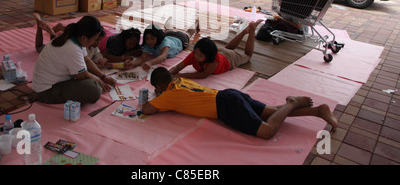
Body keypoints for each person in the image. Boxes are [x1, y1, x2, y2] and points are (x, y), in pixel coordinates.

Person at [142, 67, 338, 139]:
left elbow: (147, 110)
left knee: (267, 131)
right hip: (230, 95)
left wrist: (156, 96)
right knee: (270, 113)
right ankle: (317, 111)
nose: (157, 92)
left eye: (157, 88)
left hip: (226, 107)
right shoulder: (179, 81)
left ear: (160, 85)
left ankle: (291, 102)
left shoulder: (167, 95)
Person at [32, 16, 116, 104]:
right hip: (47, 91)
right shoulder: (73, 48)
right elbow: (82, 75)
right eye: (94, 39)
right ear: (84, 38)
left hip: (47, 84)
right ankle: (42, 97)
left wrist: (103, 77)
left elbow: (87, 60)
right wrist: (99, 81)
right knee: (94, 89)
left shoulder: (75, 38)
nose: (95, 43)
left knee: (92, 82)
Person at [170, 20, 263, 79]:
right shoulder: (194, 55)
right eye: (196, 53)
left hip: (229, 59)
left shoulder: (214, 60)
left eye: (201, 56)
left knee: (247, 55)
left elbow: (204, 74)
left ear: (209, 57)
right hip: (221, 52)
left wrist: (182, 75)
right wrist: (168, 74)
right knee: (227, 49)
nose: (197, 56)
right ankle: (243, 32)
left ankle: (251, 31)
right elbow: (177, 67)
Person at [33, 13, 111, 69]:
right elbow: (83, 66)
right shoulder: (78, 46)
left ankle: (55, 32)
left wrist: (102, 60)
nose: (98, 43)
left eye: (99, 40)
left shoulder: (92, 46)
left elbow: (97, 55)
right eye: (96, 39)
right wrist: (99, 71)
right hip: (58, 49)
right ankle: (42, 28)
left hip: (64, 44)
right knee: (39, 46)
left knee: (60, 40)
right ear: (85, 38)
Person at [125, 20, 199, 71]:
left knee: (189, 33)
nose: (149, 41)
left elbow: (163, 57)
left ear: (157, 38)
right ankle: (170, 19)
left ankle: (196, 23)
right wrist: (133, 63)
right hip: (168, 35)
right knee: (168, 30)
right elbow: (142, 58)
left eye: (152, 38)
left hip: (180, 39)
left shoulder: (164, 42)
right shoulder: (147, 44)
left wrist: (150, 62)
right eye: (147, 39)